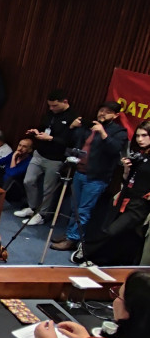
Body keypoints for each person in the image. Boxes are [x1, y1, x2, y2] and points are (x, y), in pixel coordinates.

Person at [50, 101, 130, 252]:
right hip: (79, 172)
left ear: (116, 115)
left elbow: (115, 150)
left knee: (84, 210)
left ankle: (73, 239)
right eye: (101, 110)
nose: (102, 113)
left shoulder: (119, 132)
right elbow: (76, 142)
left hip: (96, 178)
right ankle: (69, 234)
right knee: (74, 208)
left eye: (107, 112)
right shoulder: (90, 126)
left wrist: (103, 133)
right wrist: (73, 127)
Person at [79, 121, 150, 266]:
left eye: (144, 135)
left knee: (113, 231)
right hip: (125, 196)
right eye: (137, 136)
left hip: (140, 204)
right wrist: (126, 170)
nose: (140, 139)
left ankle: (86, 251)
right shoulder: (140, 155)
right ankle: (103, 260)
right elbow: (128, 179)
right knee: (113, 230)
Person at [14, 90, 80, 226]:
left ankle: (42, 215)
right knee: (28, 180)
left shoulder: (73, 118)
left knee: (47, 188)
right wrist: (36, 132)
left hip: (55, 158)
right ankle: (32, 208)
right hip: (40, 153)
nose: (51, 108)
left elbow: (70, 141)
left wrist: (50, 138)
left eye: (55, 106)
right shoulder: (50, 113)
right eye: (49, 105)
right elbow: (44, 127)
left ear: (65, 102)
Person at [0, 137, 34, 204]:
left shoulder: (29, 161)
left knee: (10, 178)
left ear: (30, 150)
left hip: (15, 189)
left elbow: (12, 173)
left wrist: (14, 158)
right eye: (19, 145)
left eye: (24, 146)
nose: (20, 148)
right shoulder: (14, 154)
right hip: (4, 182)